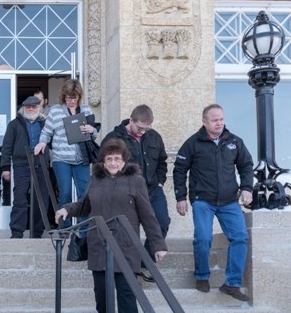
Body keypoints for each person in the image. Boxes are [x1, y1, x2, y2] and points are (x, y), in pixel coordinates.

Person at [55, 138, 168, 313]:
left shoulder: (135, 180)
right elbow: (83, 205)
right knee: (102, 299)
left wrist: (157, 245)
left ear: (124, 161)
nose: (113, 163)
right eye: (109, 159)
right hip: (99, 247)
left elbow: (148, 215)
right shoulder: (95, 180)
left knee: (127, 297)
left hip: (126, 247)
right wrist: (66, 210)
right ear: (103, 161)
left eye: (117, 158)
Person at [173, 104, 253, 302]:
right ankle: (201, 276)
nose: (219, 123)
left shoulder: (234, 141)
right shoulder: (193, 143)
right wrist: (181, 197)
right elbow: (179, 170)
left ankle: (232, 284)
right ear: (205, 122)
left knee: (240, 237)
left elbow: (246, 165)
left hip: (229, 201)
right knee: (203, 238)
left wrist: (247, 188)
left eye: (221, 119)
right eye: (215, 120)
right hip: (203, 200)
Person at [101, 104, 170, 283]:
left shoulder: (154, 137)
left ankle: (143, 264)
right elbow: (102, 166)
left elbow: (163, 161)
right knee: (126, 230)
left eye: (147, 128)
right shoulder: (114, 138)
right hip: (126, 192)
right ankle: (126, 268)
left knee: (162, 222)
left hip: (153, 190)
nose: (142, 132)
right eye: (140, 128)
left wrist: (161, 181)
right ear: (131, 120)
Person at [34, 79, 98, 229]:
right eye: (69, 97)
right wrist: (42, 142)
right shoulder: (55, 111)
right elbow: (47, 132)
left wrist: (92, 130)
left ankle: (84, 229)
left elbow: (93, 134)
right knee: (65, 192)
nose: (72, 101)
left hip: (81, 158)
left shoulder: (86, 110)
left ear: (79, 97)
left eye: (75, 98)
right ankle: (65, 228)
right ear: (64, 96)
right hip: (61, 158)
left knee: (84, 193)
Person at [1, 96, 50, 238]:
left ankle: (37, 233)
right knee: (20, 198)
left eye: (34, 107)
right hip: (21, 165)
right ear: (23, 108)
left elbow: (53, 142)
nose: (31, 109)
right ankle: (17, 231)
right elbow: (7, 146)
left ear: (39, 108)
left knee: (41, 199)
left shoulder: (45, 124)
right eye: (28, 107)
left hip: (41, 165)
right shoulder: (14, 124)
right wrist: (5, 167)